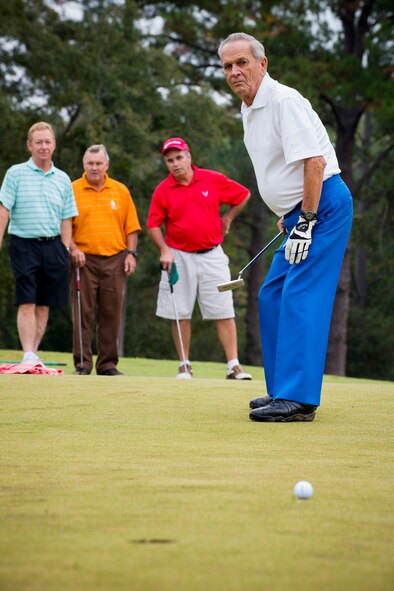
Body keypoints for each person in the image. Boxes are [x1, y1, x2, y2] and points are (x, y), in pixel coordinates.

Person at [219, 33, 353, 422]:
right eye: (228, 66)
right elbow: (284, 168)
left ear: (263, 64)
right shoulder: (250, 108)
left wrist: (307, 220)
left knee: (299, 294)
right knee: (272, 294)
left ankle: (299, 399)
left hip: (322, 208)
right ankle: (281, 389)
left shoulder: (283, 101)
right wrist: (288, 211)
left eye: (242, 62)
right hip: (300, 211)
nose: (235, 72)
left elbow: (315, 163)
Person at [147, 137, 253, 380]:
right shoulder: (163, 190)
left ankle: (233, 365)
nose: (175, 164)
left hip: (212, 254)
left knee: (224, 309)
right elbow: (153, 225)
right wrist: (163, 249)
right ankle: (184, 364)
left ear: (189, 156)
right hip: (179, 256)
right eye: (170, 160)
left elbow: (243, 195)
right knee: (180, 312)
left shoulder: (211, 179)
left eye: (179, 157)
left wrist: (227, 219)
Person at [0, 121, 78, 365]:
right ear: (29, 145)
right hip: (23, 244)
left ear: (53, 145)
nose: (43, 146)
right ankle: (27, 354)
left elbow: (67, 217)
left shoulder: (63, 179)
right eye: (39, 142)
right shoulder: (15, 173)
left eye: (47, 142)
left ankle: (32, 354)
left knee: (44, 304)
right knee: (27, 300)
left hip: (54, 246)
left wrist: (64, 248)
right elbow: (4, 210)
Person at [70, 144, 141, 376]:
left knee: (111, 313)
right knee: (83, 312)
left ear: (106, 165)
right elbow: (63, 225)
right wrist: (72, 248)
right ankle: (82, 363)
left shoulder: (120, 191)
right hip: (83, 260)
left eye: (98, 163)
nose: (94, 167)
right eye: (90, 163)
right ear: (84, 165)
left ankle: (107, 364)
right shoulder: (72, 189)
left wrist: (131, 254)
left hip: (115, 259)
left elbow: (131, 227)